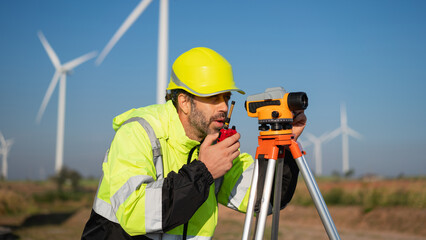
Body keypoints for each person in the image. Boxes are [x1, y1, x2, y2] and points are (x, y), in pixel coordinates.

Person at [81, 47, 306, 240]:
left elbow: (263, 198)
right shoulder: (138, 132)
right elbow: (135, 214)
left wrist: (285, 143)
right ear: (184, 102)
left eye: (226, 98)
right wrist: (203, 171)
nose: (224, 107)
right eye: (213, 98)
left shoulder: (215, 145)